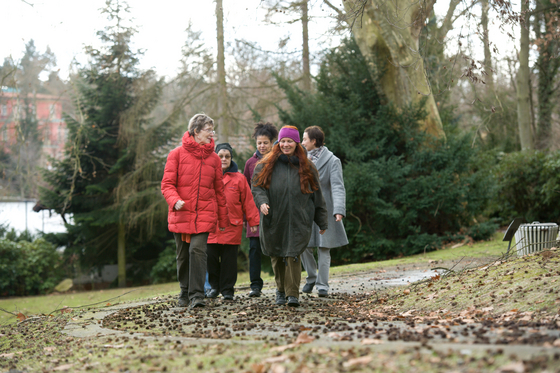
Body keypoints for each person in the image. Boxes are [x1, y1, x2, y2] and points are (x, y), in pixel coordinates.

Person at [252, 125, 328, 307]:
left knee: (293, 254)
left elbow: (317, 195)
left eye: (290, 141)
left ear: (295, 143)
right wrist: (262, 202)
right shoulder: (265, 164)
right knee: (277, 254)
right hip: (273, 217)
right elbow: (257, 187)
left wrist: (322, 220)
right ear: (278, 143)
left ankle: (292, 294)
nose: (286, 145)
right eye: (283, 141)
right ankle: (280, 290)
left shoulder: (307, 166)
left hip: (298, 218)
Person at [161, 114, 228, 308]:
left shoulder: (214, 159)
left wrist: (223, 220)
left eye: (212, 130)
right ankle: (184, 290)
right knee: (183, 256)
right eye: (208, 130)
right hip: (181, 214)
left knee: (197, 250)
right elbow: (167, 185)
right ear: (196, 131)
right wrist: (175, 200)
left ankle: (197, 295)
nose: (211, 134)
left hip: (204, 215)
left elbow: (219, 191)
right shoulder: (176, 154)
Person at [206, 143, 260, 300]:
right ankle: (214, 287)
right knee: (211, 259)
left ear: (231, 158)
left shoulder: (240, 179)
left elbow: (248, 202)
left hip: (232, 226)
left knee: (229, 261)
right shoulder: (208, 177)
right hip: (211, 226)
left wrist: (253, 221)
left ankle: (228, 290)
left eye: (227, 156)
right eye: (220, 156)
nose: (223, 159)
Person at [300, 126, 348, 297]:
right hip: (305, 210)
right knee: (303, 246)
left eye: (304, 139)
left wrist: (339, 209)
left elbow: (337, 186)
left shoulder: (332, 161)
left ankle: (322, 285)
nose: (301, 142)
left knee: (324, 247)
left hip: (325, 210)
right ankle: (312, 276)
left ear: (313, 141)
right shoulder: (300, 158)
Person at [243, 122, 278, 297]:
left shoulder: (279, 160)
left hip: (276, 212)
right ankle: (255, 285)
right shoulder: (250, 163)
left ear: (272, 142)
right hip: (254, 215)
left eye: (265, 142)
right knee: (254, 250)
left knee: (278, 249)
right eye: (259, 143)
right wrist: (247, 218)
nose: (262, 146)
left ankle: (282, 283)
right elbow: (246, 193)